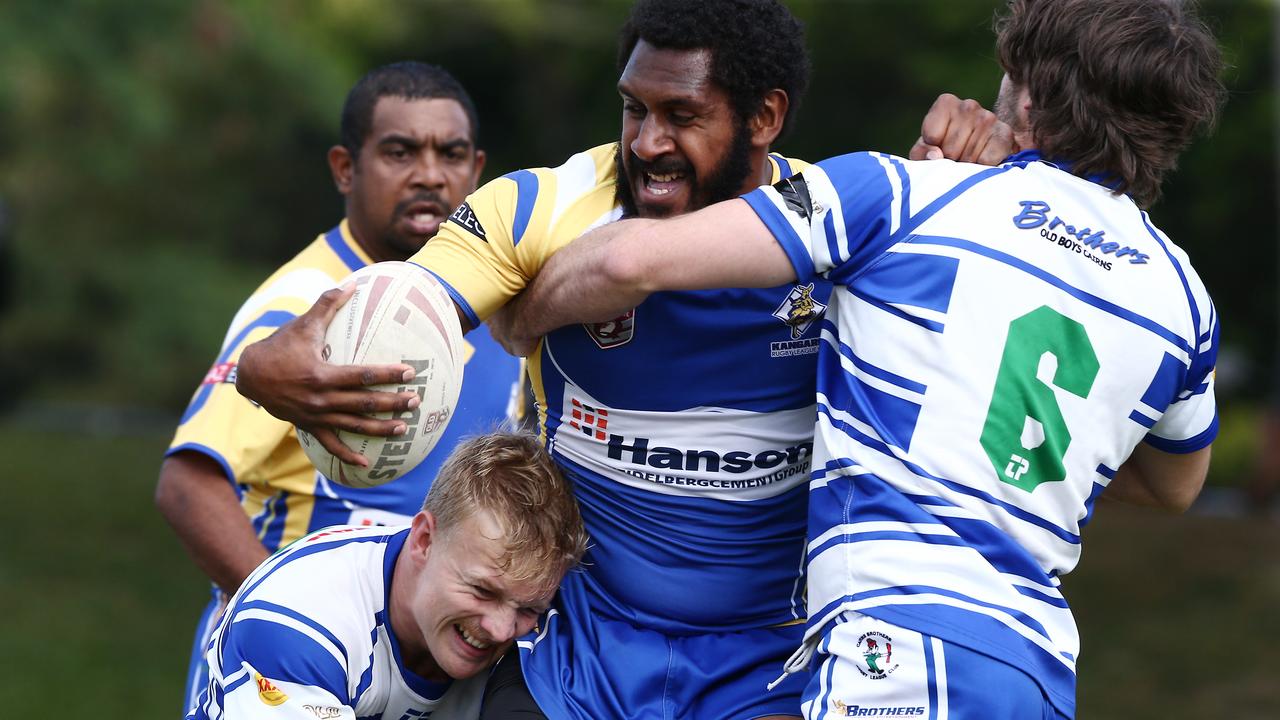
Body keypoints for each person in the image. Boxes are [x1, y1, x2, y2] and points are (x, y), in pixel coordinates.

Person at [234, 3, 1009, 717]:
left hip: (769, 665)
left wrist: (975, 169)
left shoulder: (843, 227)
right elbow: (409, 309)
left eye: (682, 116)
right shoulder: (542, 206)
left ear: (765, 116)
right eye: (634, 107)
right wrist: (271, 366)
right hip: (574, 656)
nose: (646, 143)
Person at [500, 0, 1225, 717]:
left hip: (897, 653)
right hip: (1034, 668)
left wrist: (523, 323)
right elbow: (1173, 487)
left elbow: (626, 263)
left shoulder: (906, 196)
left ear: (1027, 95)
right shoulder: (1184, 301)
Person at [155, 61, 519, 713]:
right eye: (400, 152)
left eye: (451, 153)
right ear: (346, 169)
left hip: (429, 682)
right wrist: (290, 620)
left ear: (478, 169)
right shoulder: (304, 307)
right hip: (295, 677)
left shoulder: (503, 309)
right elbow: (187, 484)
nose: (430, 175)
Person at [186, 431, 589, 720]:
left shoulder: (552, 636)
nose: (501, 629)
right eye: (482, 591)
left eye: (527, 608)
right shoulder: (296, 617)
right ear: (424, 539)